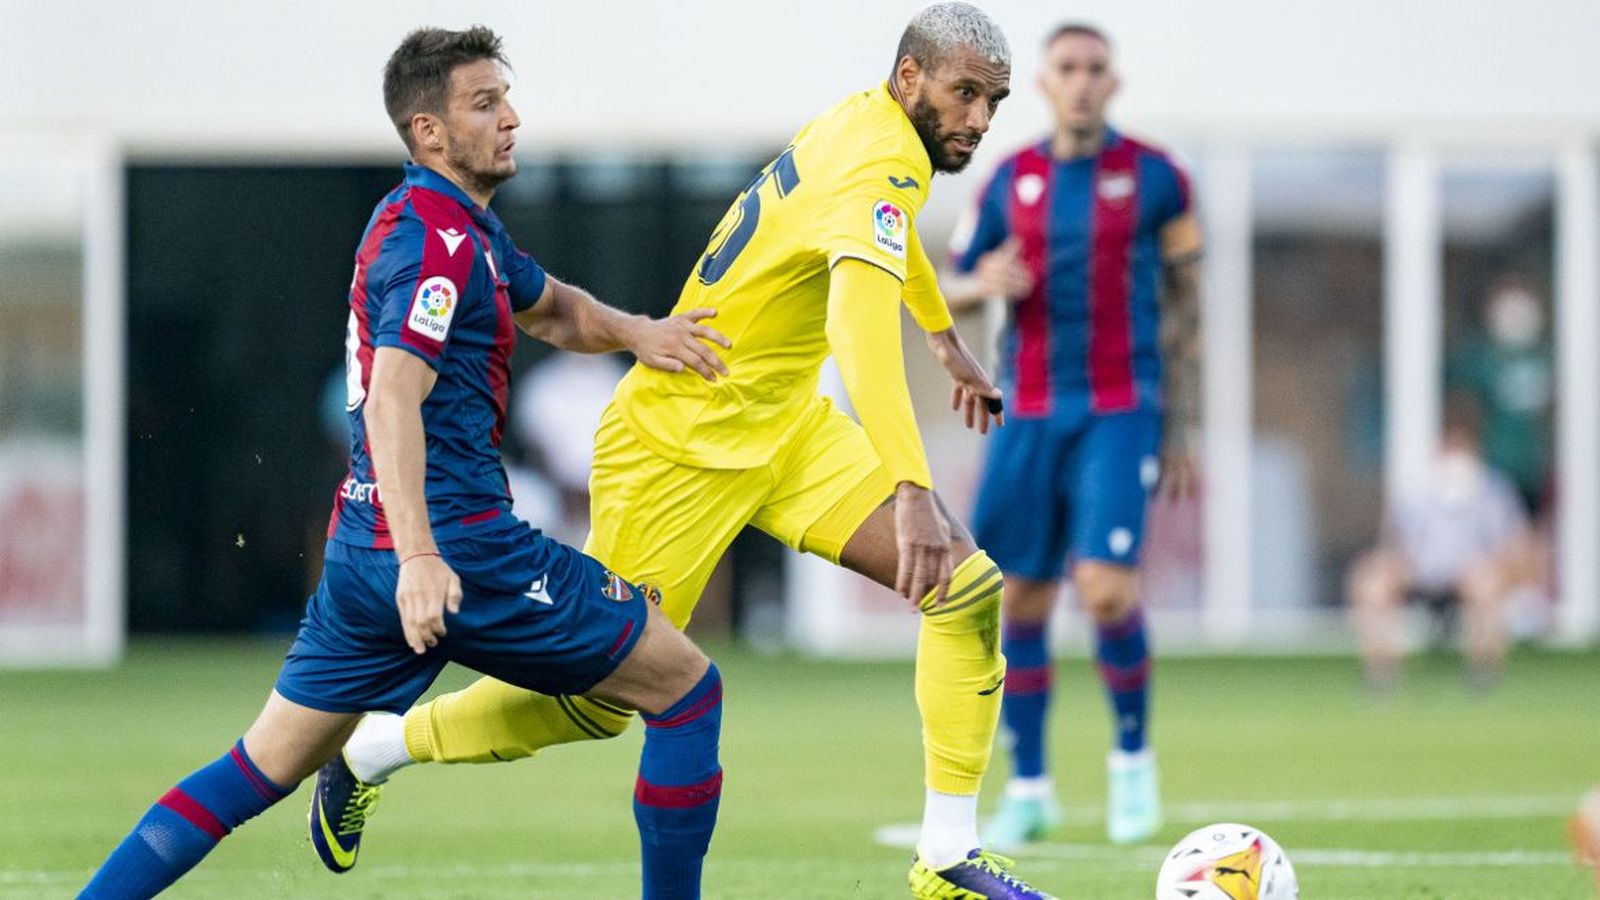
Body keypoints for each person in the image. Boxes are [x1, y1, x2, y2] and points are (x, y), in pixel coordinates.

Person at [314, 4, 1055, 897]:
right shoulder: (880, 155)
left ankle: (945, 855)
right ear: (910, 78)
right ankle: (376, 747)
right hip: (681, 442)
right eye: (965, 93)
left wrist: (940, 336)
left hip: (787, 428)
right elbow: (858, 336)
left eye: (993, 101)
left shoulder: (872, 130)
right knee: (597, 703)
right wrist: (910, 484)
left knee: (966, 591)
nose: (979, 117)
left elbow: (886, 236)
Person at [80, 26, 733, 899]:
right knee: (687, 690)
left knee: (253, 769)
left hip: (363, 553)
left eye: (506, 98)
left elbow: (553, 309)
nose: (511, 117)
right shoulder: (436, 243)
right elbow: (392, 397)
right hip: (457, 549)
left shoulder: (450, 226)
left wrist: (638, 332)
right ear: (429, 131)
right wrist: (423, 557)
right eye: (485, 103)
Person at [939, 22, 1203, 847]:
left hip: (1122, 405)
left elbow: (1187, 308)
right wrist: (982, 282)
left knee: (1105, 588)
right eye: (1067, 68)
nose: (1082, 81)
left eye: (1095, 68)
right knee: (1019, 598)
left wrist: (1183, 424)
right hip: (1029, 410)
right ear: (1044, 85)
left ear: (1112, 82)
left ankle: (1132, 768)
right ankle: (1030, 788)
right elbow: (945, 285)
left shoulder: (1158, 177)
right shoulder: (1009, 180)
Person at [1346, 397, 1538, 691]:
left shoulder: (1494, 492)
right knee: (1371, 581)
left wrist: (1491, 567)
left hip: (1471, 576)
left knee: (1485, 581)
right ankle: (1381, 674)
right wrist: (1396, 565)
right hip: (1419, 573)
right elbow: (1393, 545)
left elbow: (1515, 549)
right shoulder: (1416, 493)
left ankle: (1484, 671)